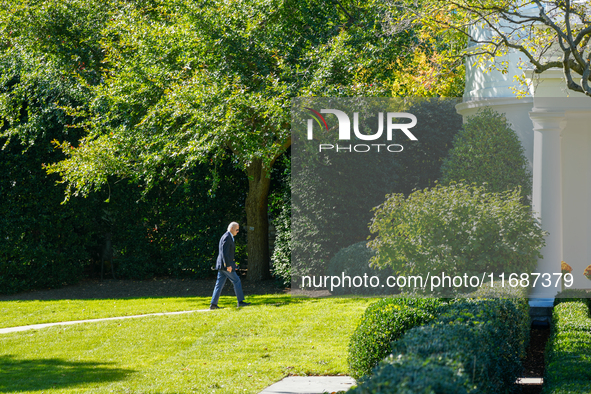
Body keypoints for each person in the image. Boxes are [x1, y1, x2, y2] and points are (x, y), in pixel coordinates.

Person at [210, 222, 251, 309]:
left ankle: (213, 304)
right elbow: (224, 253)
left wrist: (232, 263)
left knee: (219, 284)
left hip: (222, 265)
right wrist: (228, 265)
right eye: (237, 229)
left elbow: (227, 253)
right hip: (225, 266)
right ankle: (240, 302)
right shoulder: (227, 237)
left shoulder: (227, 236)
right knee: (236, 281)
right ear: (232, 228)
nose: (238, 231)